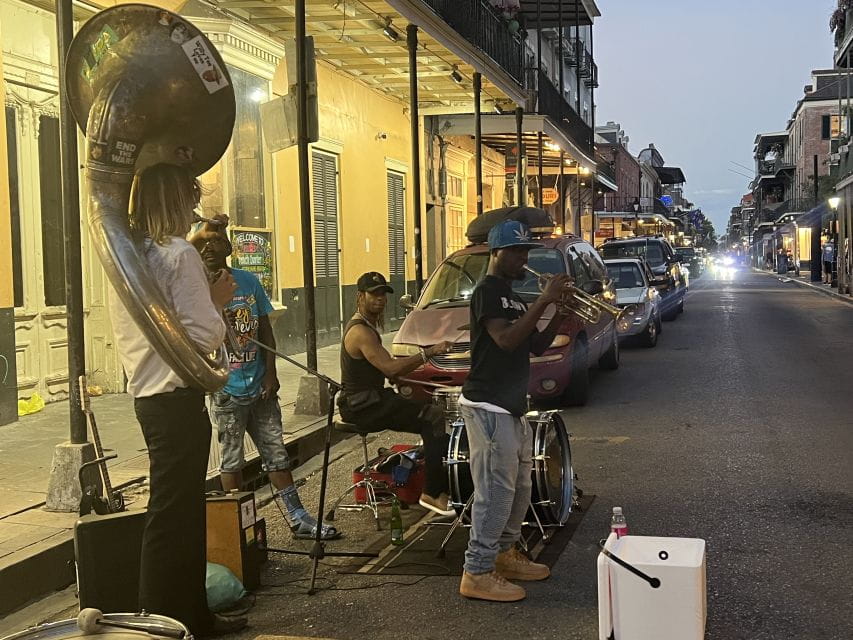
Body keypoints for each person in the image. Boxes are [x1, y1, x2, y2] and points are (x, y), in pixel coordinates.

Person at [110, 164, 246, 636]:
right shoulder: (176, 256)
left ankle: (190, 615)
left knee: (176, 511)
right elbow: (204, 333)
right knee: (176, 516)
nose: (192, 211)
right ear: (172, 201)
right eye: (188, 199)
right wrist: (217, 298)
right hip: (178, 398)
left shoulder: (126, 256)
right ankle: (164, 621)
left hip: (150, 398)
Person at [190, 215, 339, 540]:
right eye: (203, 245)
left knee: (276, 453)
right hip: (227, 391)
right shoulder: (197, 289)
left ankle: (298, 517)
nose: (210, 249)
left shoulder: (247, 281)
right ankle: (237, 528)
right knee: (232, 461)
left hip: (260, 387)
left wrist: (270, 373)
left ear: (229, 248)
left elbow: (266, 329)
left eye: (217, 242)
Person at [458, 220, 571, 603]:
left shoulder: (511, 295)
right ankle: (477, 571)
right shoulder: (487, 291)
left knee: (520, 486)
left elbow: (535, 345)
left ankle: (504, 554)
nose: (525, 258)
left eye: (527, 251)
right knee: (495, 491)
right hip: (487, 403)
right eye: (518, 252)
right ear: (497, 253)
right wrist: (543, 299)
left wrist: (557, 307)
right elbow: (505, 341)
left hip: (510, 405)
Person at [338, 272, 454, 516]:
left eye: (383, 294)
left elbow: (385, 369)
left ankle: (432, 471)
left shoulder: (367, 327)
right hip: (363, 406)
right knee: (433, 416)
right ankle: (433, 492)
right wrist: (430, 352)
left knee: (428, 404)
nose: (379, 299)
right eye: (374, 294)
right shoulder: (361, 332)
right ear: (360, 296)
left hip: (370, 399)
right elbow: (390, 367)